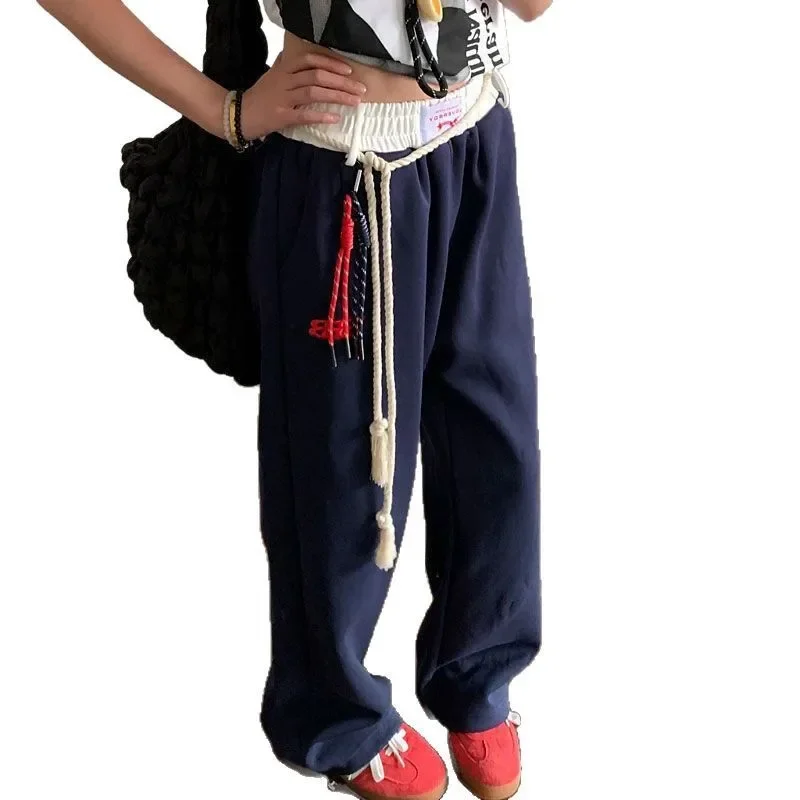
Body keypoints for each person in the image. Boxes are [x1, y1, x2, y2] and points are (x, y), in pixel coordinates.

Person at [36, 1, 551, 798]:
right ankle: (336, 715)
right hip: (341, 166)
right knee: (343, 468)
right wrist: (226, 112)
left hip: (475, 134)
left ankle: (478, 673)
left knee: (495, 433)